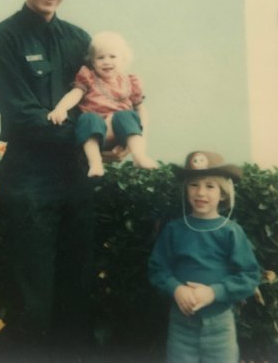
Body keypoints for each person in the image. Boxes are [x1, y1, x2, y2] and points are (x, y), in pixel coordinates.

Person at [0, 0, 102, 361]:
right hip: (30, 180)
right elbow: (21, 114)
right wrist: (90, 139)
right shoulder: (4, 39)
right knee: (33, 295)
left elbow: (98, 100)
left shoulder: (79, 39)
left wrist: (114, 137)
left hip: (75, 177)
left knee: (77, 288)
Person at [148, 151, 260, 363]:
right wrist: (176, 288)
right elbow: (157, 269)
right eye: (194, 185)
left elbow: (249, 276)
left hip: (220, 326)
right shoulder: (174, 229)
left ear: (223, 193)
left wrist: (213, 292)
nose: (201, 193)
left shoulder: (231, 231)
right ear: (185, 189)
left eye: (210, 186)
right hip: (181, 325)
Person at [48, 31, 158, 177]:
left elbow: (140, 108)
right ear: (93, 62)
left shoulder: (129, 82)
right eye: (100, 57)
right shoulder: (89, 78)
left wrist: (142, 131)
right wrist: (61, 108)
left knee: (126, 115)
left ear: (123, 60)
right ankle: (95, 162)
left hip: (121, 130)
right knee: (88, 118)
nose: (107, 61)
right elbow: (75, 94)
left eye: (112, 56)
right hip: (96, 129)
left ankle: (139, 156)